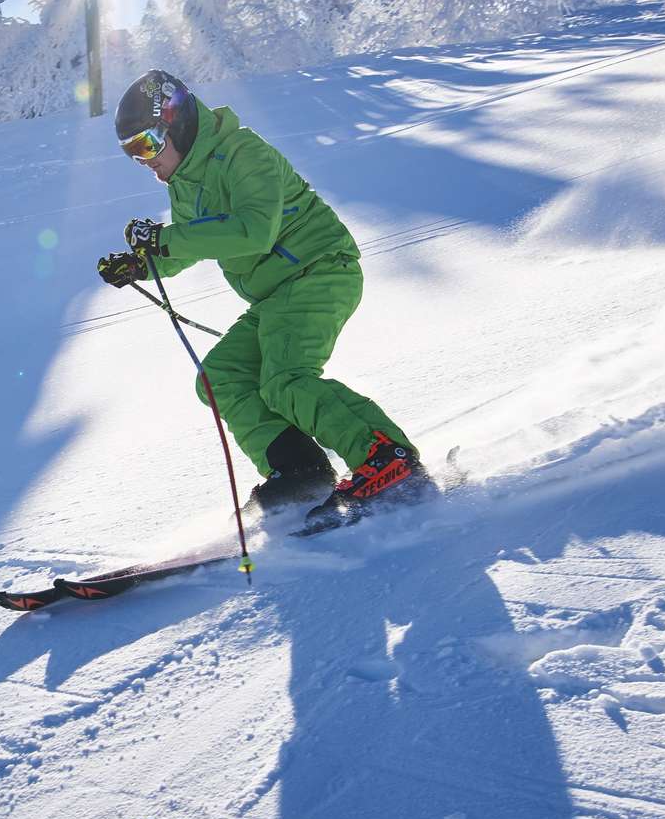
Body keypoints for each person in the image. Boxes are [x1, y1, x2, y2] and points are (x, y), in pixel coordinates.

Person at [97, 70, 426, 524]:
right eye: (132, 153)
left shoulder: (243, 153)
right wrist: (143, 265)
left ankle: (386, 456)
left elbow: (253, 232)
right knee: (220, 376)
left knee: (284, 378)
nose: (144, 161)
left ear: (177, 124)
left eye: (147, 145)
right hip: (276, 295)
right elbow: (199, 242)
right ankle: (299, 471)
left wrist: (163, 240)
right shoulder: (186, 182)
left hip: (319, 271)